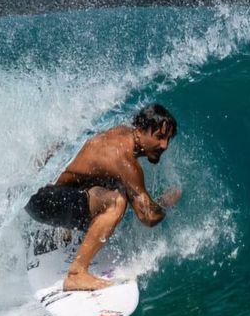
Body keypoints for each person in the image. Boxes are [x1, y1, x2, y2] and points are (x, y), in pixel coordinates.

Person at [25, 104, 181, 291]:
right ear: (139, 131)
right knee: (116, 201)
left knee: (113, 183)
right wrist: (164, 204)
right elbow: (147, 217)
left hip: (35, 192)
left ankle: (64, 231)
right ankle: (76, 274)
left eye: (168, 139)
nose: (165, 145)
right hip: (44, 203)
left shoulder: (121, 131)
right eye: (159, 137)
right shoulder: (125, 161)